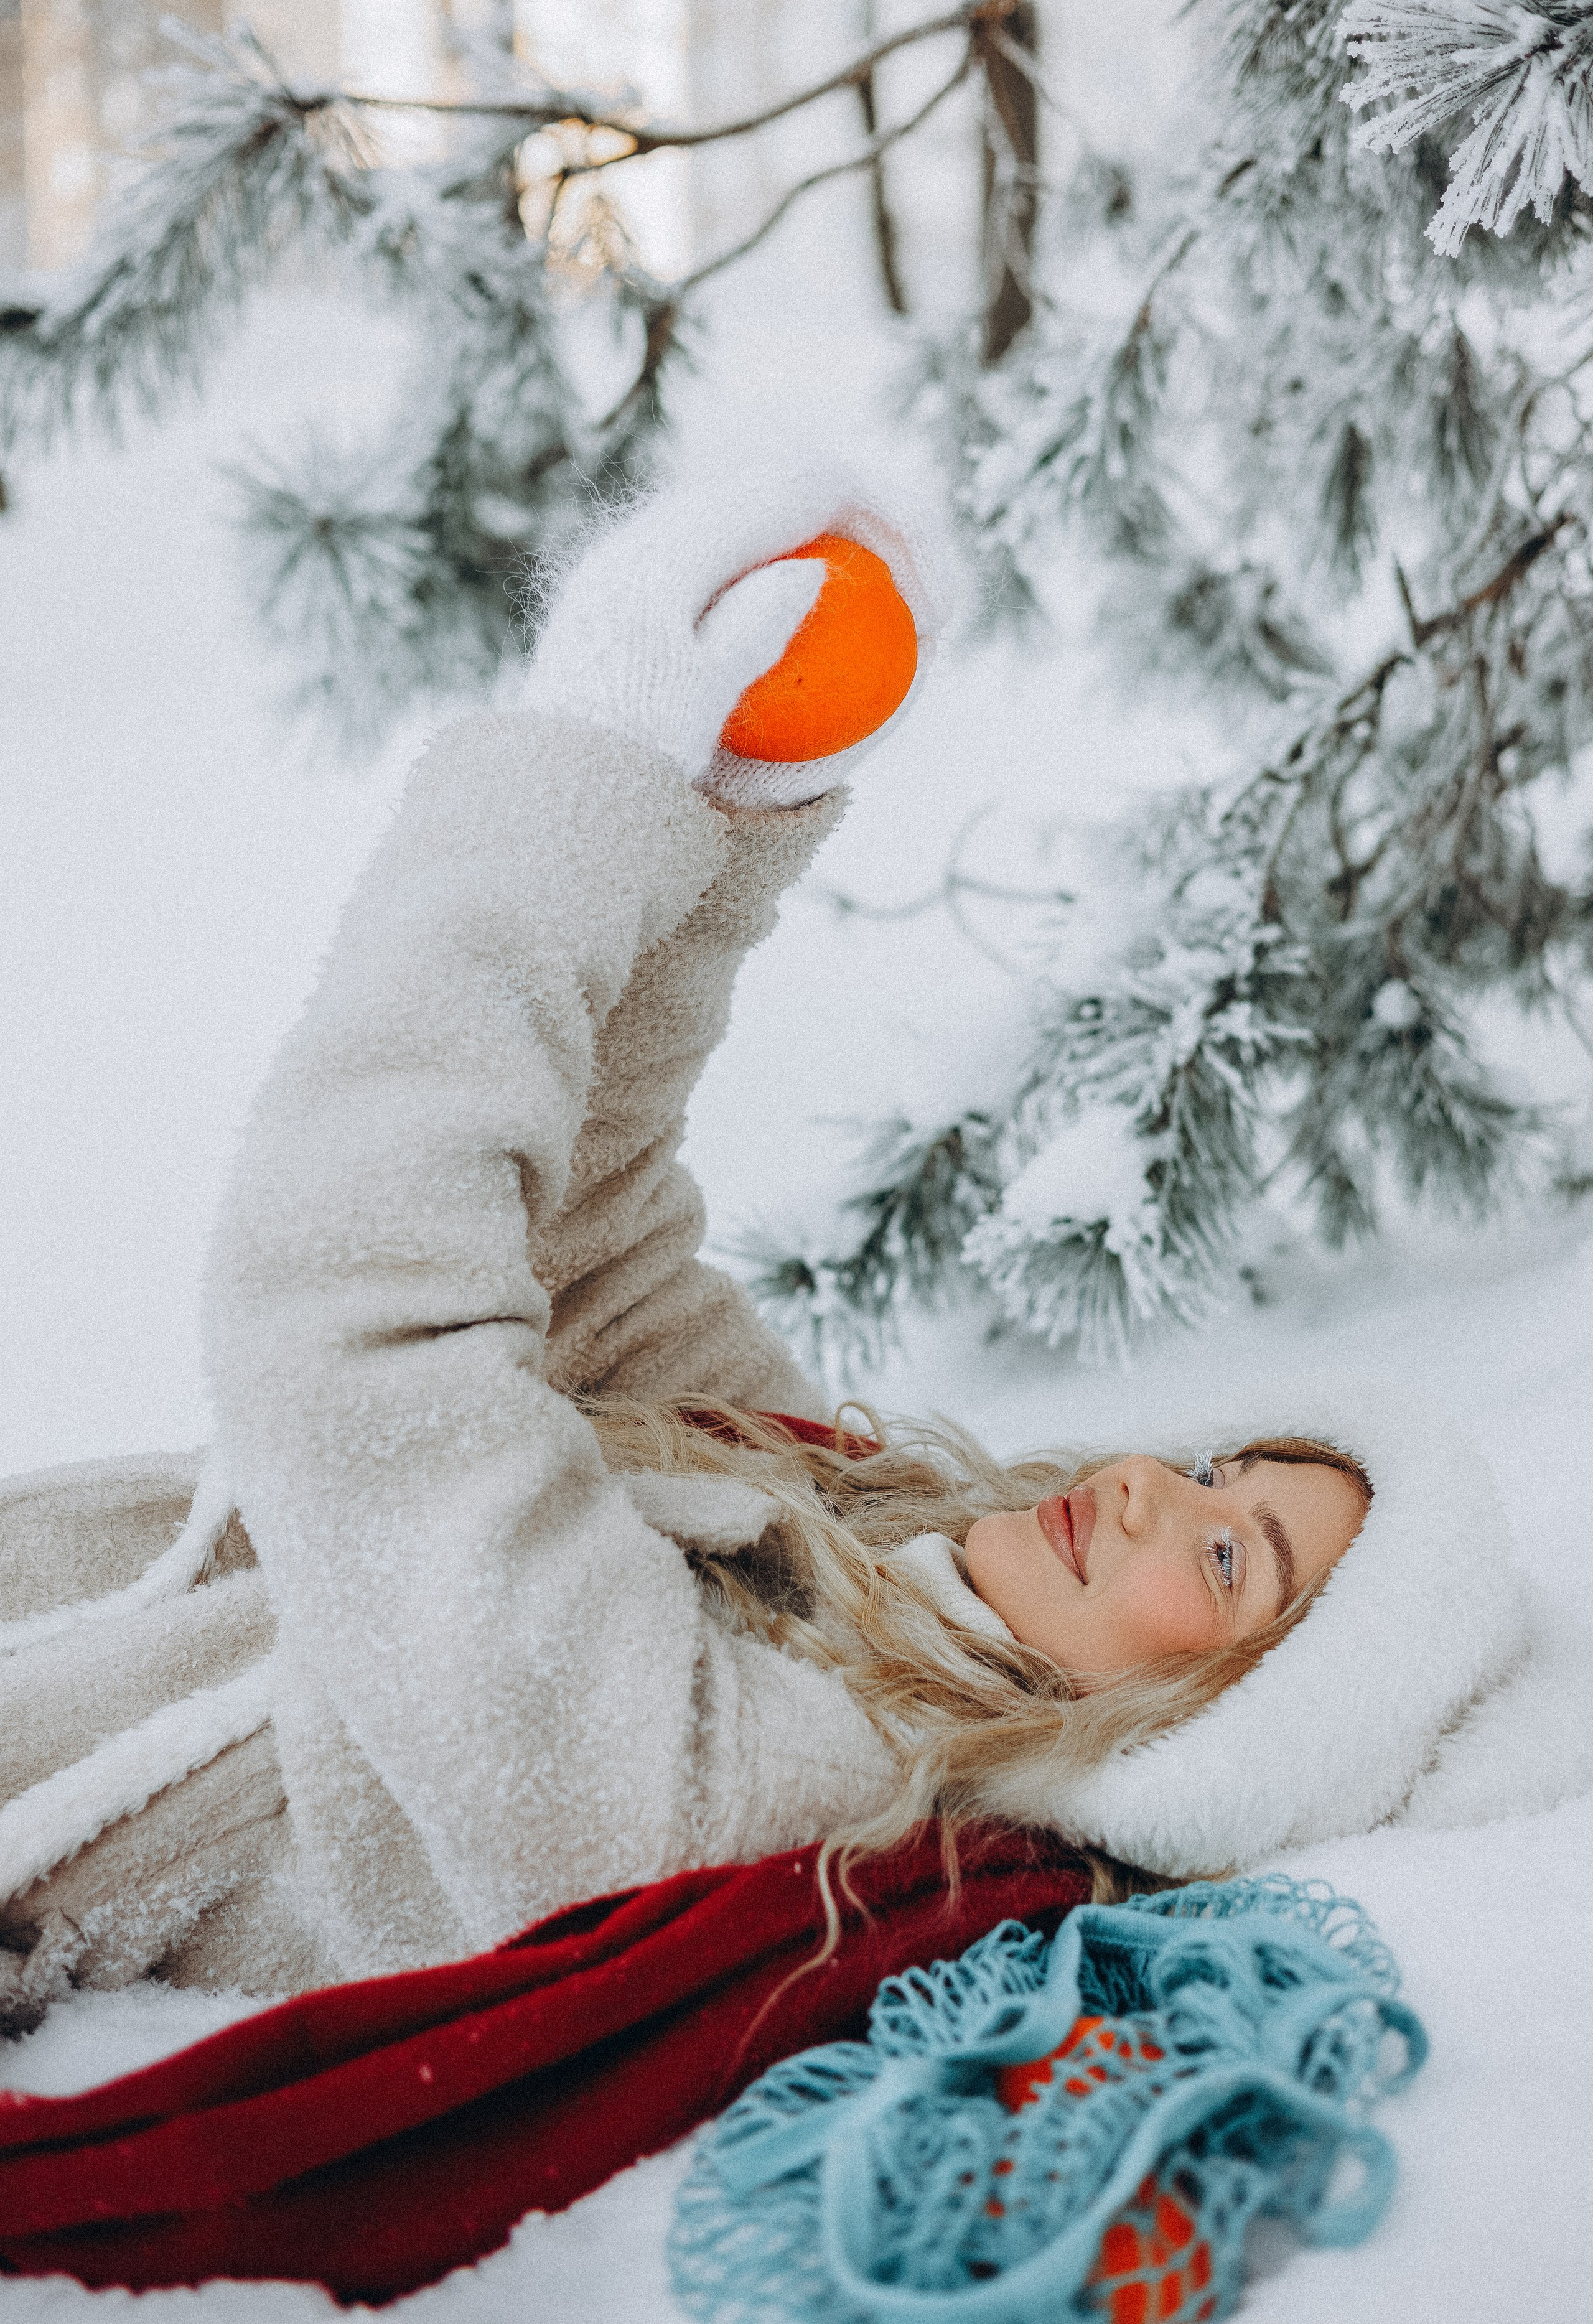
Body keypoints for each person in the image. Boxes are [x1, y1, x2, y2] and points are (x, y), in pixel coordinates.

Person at [0, 462, 1547, 2027]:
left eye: (1229, 1560)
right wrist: (727, 813)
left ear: (1215, 1738)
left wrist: (573, 785)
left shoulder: (755, 1809)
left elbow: (356, 1327)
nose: (1154, 1485)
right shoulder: (868, 1539)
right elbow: (593, 1266)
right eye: (1218, 1474)